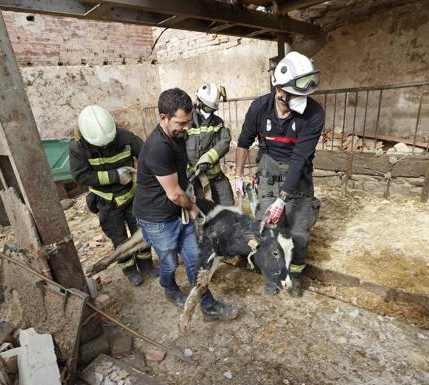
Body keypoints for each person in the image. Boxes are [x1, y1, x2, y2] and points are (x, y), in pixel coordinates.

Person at [133, 88, 238, 321]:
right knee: (169, 263)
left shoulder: (178, 135)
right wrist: (192, 207)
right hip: (158, 219)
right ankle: (170, 289)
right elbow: (173, 194)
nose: (187, 128)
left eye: (189, 122)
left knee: (194, 260)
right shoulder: (158, 147)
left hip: (177, 210)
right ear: (163, 118)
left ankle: (208, 307)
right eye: (181, 123)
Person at [234, 52, 324, 297]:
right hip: (268, 177)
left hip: (299, 179)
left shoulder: (314, 114)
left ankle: (294, 276)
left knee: (298, 234)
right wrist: (239, 176)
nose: (302, 99)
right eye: (296, 93)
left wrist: (283, 199)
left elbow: (299, 158)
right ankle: (271, 275)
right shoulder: (259, 108)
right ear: (278, 88)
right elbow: (244, 141)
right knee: (268, 233)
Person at [69, 105, 156, 286]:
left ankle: (146, 265)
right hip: (106, 203)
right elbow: (80, 176)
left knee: (141, 233)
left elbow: (148, 155)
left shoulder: (125, 137)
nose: (107, 146)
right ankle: (130, 270)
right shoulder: (79, 148)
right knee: (119, 239)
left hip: (132, 198)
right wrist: (115, 176)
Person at [186, 83, 234, 205]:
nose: (209, 112)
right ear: (199, 102)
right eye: (207, 108)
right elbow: (178, 147)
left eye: (212, 109)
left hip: (216, 177)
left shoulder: (218, 123)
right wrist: (186, 169)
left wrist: (208, 159)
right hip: (194, 179)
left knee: (227, 205)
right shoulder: (187, 122)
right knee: (201, 210)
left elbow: (225, 141)